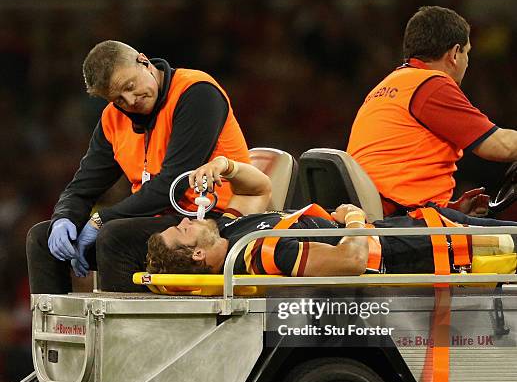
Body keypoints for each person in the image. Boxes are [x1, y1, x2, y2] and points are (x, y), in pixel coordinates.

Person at [0, 40, 250, 382]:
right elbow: (83, 184)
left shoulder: (197, 93)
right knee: (40, 237)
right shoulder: (114, 120)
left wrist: (100, 220)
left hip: (209, 226)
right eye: (117, 97)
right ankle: (49, 376)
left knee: (114, 236)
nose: (130, 101)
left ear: (145, 62)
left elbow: (171, 185)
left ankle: (128, 367)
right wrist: (64, 218)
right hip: (155, 226)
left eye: (131, 86)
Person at [146, 155, 517, 279]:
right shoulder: (261, 254)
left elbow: (257, 188)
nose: (185, 220)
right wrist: (354, 216)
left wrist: (222, 165)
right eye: (182, 230)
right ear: (197, 254)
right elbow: (351, 260)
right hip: (417, 248)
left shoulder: (232, 231)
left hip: (422, 227)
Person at [346, 5, 517, 218]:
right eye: (467, 52)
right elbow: (501, 146)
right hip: (398, 220)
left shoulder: (389, 85)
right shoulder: (432, 86)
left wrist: (453, 209)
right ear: (455, 54)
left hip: (381, 214)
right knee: (510, 238)